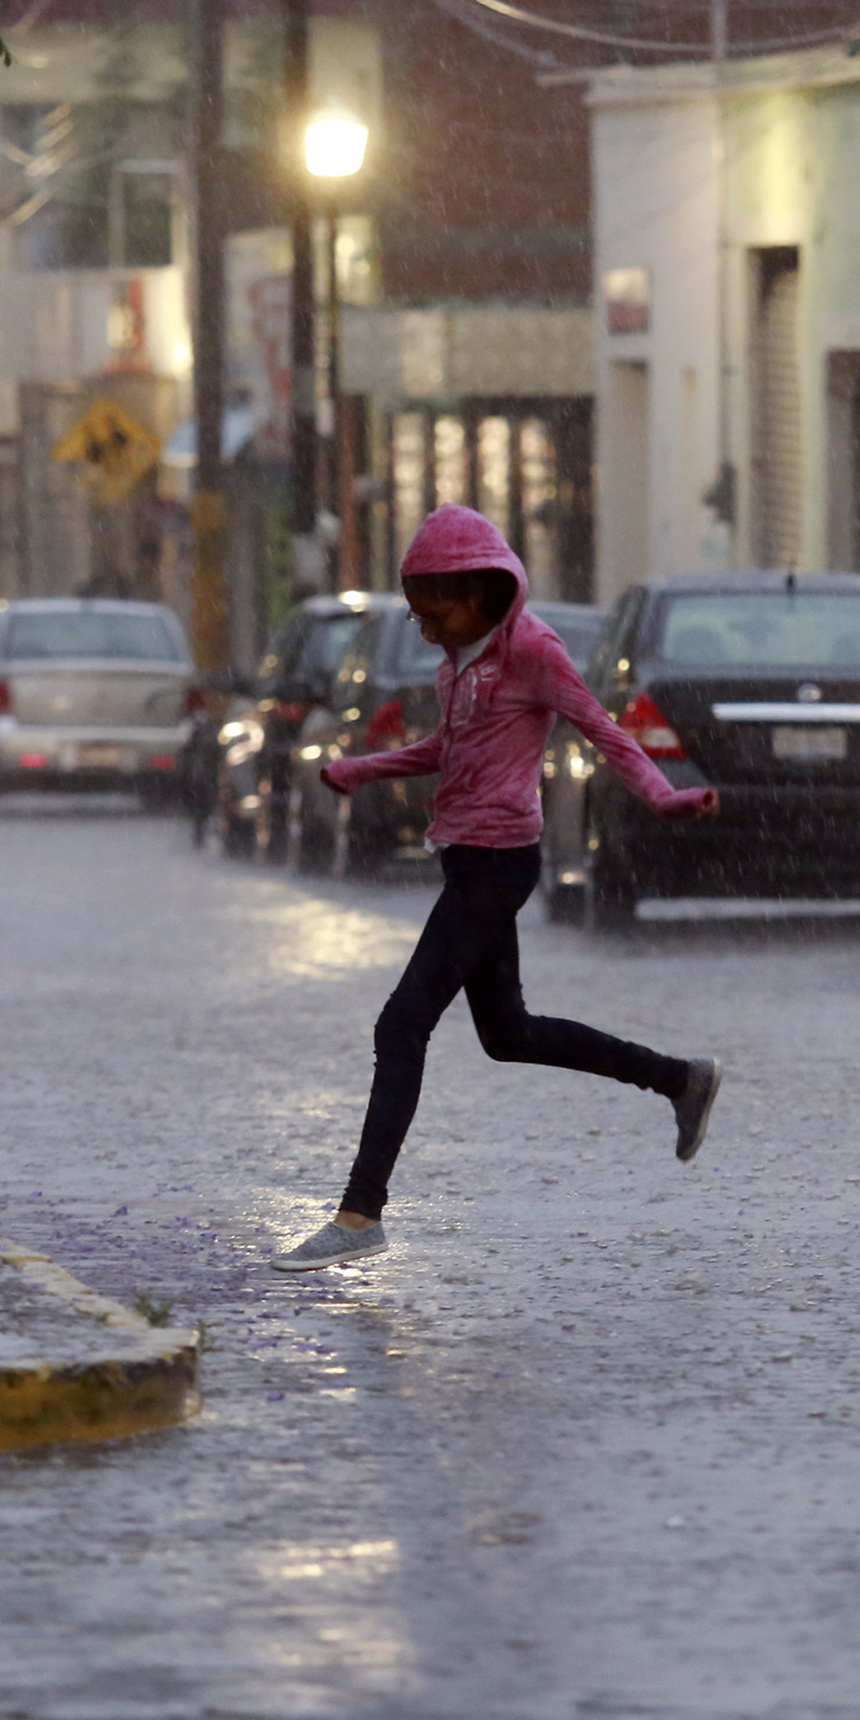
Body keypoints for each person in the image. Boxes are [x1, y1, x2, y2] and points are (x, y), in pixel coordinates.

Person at [274, 505, 724, 1271]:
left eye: (436, 612)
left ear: (481, 592)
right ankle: (680, 1079)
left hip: (498, 862)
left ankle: (359, 1214)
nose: (426, 630)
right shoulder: (459, 666)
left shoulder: (534, 653)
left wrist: (665, 797)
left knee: (401, 1023)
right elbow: (448, 747)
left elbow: (605, 731)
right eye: (415, 616)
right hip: (464, 856)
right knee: (507, 1034)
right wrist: (363, 768)